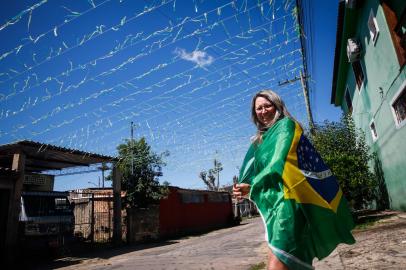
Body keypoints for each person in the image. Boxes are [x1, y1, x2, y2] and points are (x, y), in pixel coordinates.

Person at [233, 90, 355, 270]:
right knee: (280, 261)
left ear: (277, 106)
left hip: (289, 204)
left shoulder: (286, 126)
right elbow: (253, 169)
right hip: (275, 204)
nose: (263, 111)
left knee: (279, 263)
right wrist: (245, 187)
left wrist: (253, 186)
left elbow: (278, 163)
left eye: (268, 106)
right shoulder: (260, 140)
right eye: (259, 108)